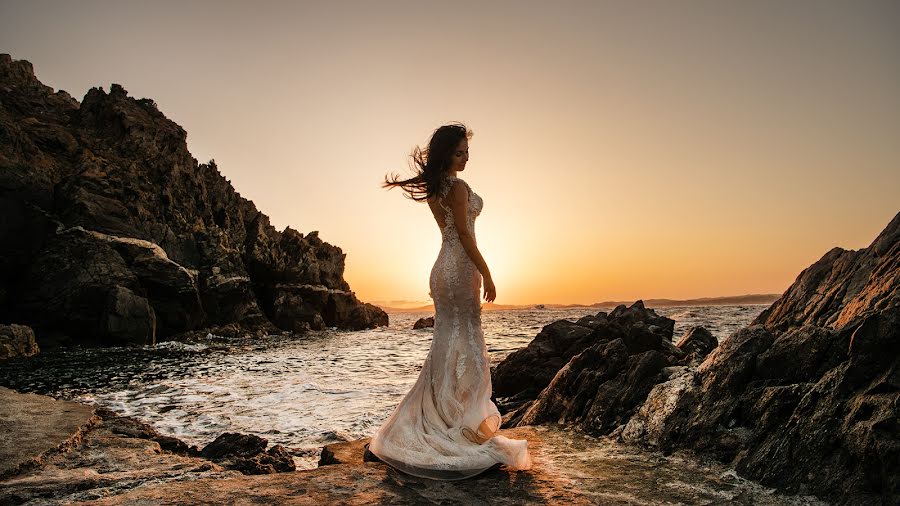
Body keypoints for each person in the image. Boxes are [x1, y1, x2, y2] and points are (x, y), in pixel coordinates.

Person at [367, 123, 533, 480]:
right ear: (445, 153)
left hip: (444, 268)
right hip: (459, 267)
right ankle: (459, 421)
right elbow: (462, 233)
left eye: (468, 153)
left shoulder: (435, 188)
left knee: (448, 342)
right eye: (459, 153)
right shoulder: (455, 188)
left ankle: (449, 416)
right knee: (467, 342)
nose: (466, 158)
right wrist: (486, 272)